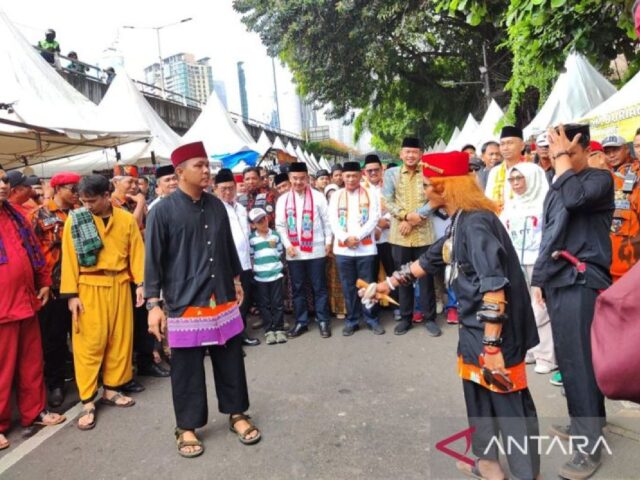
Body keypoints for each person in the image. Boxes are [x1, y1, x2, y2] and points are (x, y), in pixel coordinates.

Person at [364, 151, 540, 480]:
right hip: (475, 327)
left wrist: (492, 347)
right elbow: (430, 259)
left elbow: (494, 287)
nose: (425, 191)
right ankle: (488, 464)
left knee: (509, 404)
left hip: (497, 333)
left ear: (446, 188)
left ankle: (527, 475)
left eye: (429, 185)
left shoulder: (476, 223)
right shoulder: (459, 219)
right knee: (477, 393)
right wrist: (383, 284)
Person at [145, 141, 260, 458]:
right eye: (199, 165)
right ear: (180, 172)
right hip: (185, 302)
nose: (206, 170)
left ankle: (237, 413)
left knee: (231, 359)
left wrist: (236, 280)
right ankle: (187, 426)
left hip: (221, 296)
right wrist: (153, 305)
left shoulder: (216, 205)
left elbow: (227, 247)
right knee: (187, 368)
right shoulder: (162, 212)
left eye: (207, 164)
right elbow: (152, 261)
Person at [531, 124, 613, 479]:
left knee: (580, 364)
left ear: (583, 149)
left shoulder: (598, 180)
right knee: (569, 360)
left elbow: (575, 199)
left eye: (565, 150)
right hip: (560, 280)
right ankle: (587, 424)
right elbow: (550, 232)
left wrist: (563, 160)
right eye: (553, 151)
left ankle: (588, 446)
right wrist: (539, 278)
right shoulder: (558, 184)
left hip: (583, 280)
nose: (557, 157)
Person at [60, 174, 144, 430]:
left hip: (119, 284)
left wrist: (141, 284)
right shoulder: (75, 220)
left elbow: (137, 253)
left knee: (120, 339)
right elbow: (69, 258)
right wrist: (71, 295)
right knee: (88, 343)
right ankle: (87, 399)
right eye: (83, 201)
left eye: (92, 201)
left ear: (107, 196)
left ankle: (112, 388)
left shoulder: (127, 219)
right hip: (88, 287)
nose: (87, 206)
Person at [0, 168, 65, 450]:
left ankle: (34, 412)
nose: (2, 185)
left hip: (26, 301)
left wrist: (44, 281)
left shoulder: (15, 214)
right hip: (3, 308)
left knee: (31, 362)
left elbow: (35, 253)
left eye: (3, 179)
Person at [499, 164, 556, 375]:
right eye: (511, 179)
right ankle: (531, 349)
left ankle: (547, 356)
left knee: (540, 308)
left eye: (519, 179)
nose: (515, 184)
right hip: (517, 263)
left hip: (539, 262)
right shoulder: (511, 205)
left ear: (531, 178)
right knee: (522, 306)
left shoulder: (545, 203)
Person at [31, 172, 80, 407]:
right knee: (55, 339)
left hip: (80, 285)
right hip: (54, 287)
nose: (76, 193)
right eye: (72, 188)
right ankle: (56, 384)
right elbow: (31, 252)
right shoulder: (39, 215)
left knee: (81, 334)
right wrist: (42, 283)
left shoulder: (80, 211)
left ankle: (85, 378)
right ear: (58, 188)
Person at [382, 137, 440, 337]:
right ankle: (406, 318)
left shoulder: (429, 173)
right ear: (401, 154)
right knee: (403, 278)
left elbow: (436, 199)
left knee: (425, 277)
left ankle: (429, 318)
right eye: (407, 152)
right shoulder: (391, 174)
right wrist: (405, 216)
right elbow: (387, 201)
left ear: (421, 154)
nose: (410, 155)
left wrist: (414, 218)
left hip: (424, 235)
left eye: (414, 152)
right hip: (400, 236)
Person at [275, 162, 333, 338]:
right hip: (295, 252)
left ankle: (323, 320)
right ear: (290, 179)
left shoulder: (318, 197)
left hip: (316, 250)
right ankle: (301, 322)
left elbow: (327, 222)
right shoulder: (283, 200)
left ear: (307, 178)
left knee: (319, 287)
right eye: (295, 178)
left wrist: (329, 241)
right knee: (298, 288)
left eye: (302, 178)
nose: (298, 182)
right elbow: (280, 225)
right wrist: (287, 245)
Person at [329, 161, 383, 336]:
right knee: (348, 286)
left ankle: (371, 319)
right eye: (347, 176)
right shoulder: (336, 195)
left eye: (354, 175)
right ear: (342, 177)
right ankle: (352, 320)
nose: (351, 179)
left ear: (361, 175)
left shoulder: (370, 193)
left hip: (365, 249)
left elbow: (374, 218)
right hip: (343, 250)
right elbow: (333, 221)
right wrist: (346, 238)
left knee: (368, 285)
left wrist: (358, 237)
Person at [215, 168, 260, 347]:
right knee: (230, 301)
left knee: (244, 299)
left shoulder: (240, 207)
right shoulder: (216, 209)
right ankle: (232, 338)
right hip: (228, 264)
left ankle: (241, 333)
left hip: (245, 262)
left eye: (230, 188)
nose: (227, 192)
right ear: (215, 189)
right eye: (223, 189)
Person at [362, 154, 399, 317]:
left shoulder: (390, 186)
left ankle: (397, 306)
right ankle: (372, 310)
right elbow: (360, 214)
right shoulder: (361, 189)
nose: (373, 173)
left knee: (394, 273)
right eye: (369, 171)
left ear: (382, 170)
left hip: (389, 237)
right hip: (369, 240)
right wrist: (377, 225)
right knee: (370, 274)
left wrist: (385, 222)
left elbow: (398, 206)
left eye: (376, 170)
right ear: (364, 172)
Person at [248, 207, 286, 345]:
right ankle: (269, 330)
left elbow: (280, 252)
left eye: (264, 218)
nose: (263, 223)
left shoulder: (275, 235)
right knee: (264, 304)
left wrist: (278, 267)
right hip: (260, 276)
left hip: (275, 274)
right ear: (253, 225)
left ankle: (279, 328)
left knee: (278, 303)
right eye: (259, 221)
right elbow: (251, 256)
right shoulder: (252, 239)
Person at [608, 134, 640, 282]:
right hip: (611, 267)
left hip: (632, 268)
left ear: (627, 150)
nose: (611, 155)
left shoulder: (633, 178)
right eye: (607, 151)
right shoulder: (605, 177)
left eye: (616, 150)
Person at [485, 126, 525, 210]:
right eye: (502, 144)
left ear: (522, 146)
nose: (505, 148)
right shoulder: (494, 172)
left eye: (510, 143)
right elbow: (488, 199)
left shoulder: (532, 170)